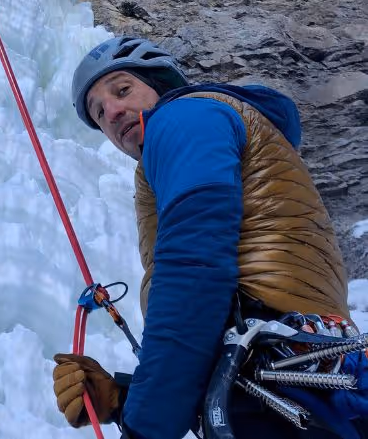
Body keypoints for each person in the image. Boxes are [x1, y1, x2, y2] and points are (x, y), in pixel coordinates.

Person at [52, 36, 368, 439]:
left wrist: (145, 424)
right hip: (302, 380)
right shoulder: (200, 130)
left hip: (272, 381)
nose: (112, 112)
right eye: (99, 112)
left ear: (161, 84)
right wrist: (123, 399)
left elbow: (194, 270)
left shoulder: (183, 116)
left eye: (122, 89)